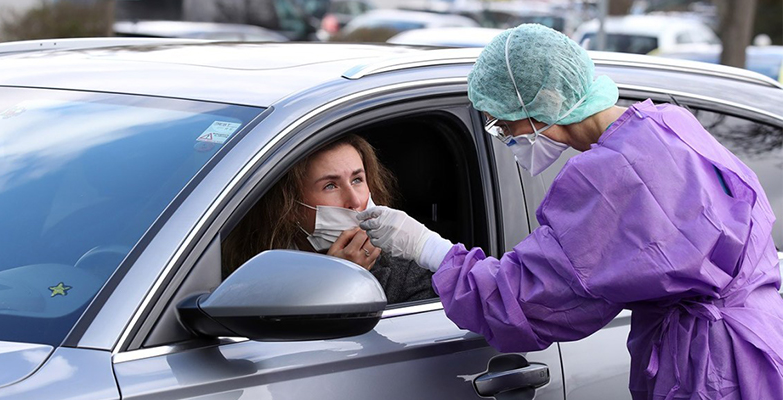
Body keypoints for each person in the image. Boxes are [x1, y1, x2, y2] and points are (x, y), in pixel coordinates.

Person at [357, 24, 783, 399]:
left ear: (547, 100)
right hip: (761, 344)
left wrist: (426, 245)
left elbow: (525, 299)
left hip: (711, 370)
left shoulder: (609, 178)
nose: (504, 136)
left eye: (504, 124)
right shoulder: (667, 124)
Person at [223, 134, 435, 304]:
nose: (354, 200)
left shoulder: (406, 272)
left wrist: (352, 280)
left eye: (357, 180)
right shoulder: (246, 266)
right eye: (330, 186)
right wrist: (331, 280)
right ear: (290, 206)